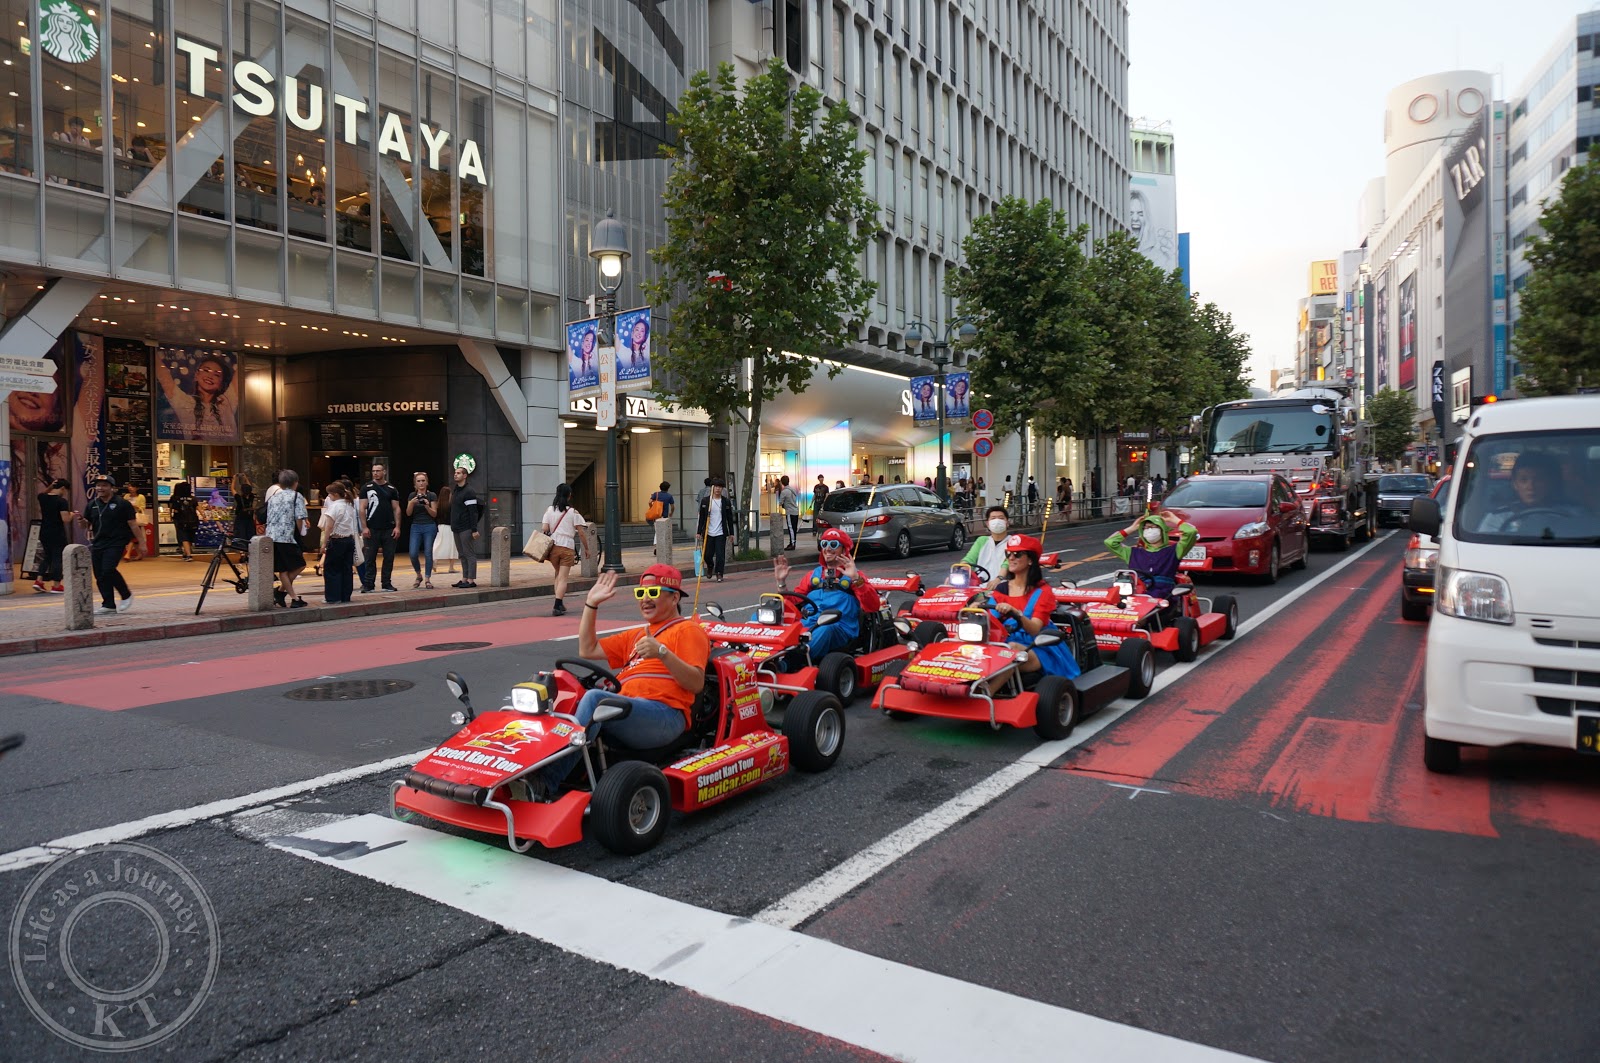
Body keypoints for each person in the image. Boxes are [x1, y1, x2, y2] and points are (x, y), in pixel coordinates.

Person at [537, 565, 711, 793]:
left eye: (654, 593)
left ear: (674, 597)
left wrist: (662, 653)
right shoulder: (638, 634)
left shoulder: (688, 630)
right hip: (630, 711)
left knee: (596, 699)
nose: (645, 599)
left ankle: (545, 783)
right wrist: (591, 604)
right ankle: (528, 766)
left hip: (666, 715)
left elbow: (696, 683)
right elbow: (587, 649)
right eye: (641, 593)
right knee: (550, 695)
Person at [772, 528, 881, 659]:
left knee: (825, 630)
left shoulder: (855, 576)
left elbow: (873, 606)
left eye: (833, 544)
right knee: (765, 617)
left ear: (844, 550)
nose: (827, 549)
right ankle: (755, 658)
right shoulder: (813, 575)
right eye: (824, 544)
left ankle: (789, 662)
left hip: (839, 628)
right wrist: (781, 582)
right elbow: (791, 602)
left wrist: (856, 578)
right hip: (808, 624)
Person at [986, 535, 1078, 679]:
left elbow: (1035, 628)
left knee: (1011, 651)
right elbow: (990, 619)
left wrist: (1016, 613)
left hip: (1038, 646)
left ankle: (987, 695)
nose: (1011, 558)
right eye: (1008, 554)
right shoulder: (1002, 589)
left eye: (1017, 554)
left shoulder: (1042, 591)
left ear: (1030, 560)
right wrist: (977, 611)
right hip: (1005, 640)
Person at [1104, 505, 1198, 602]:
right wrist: (1132, 528)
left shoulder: (1175, 551)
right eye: (1146, 528)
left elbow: (1191, 532)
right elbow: (1110, 542)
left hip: (1163, 595)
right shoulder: (1133, 552)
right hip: (1136, 592)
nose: (1149, 530)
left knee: (1154, 596)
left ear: (1162, 530)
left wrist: (1174, 519)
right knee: (1111, 596)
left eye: (1154, 527)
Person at [1479, 451, 1589, 534]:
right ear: (1515, 484)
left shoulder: (1574, 514)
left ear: (1551, 483)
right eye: (1523, 480)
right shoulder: (1498, 517)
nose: (1530, 486)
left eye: (1538, 479)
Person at [84, 477, 140, 614]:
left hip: (116, 542)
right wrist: (81, 520)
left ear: (112, 488)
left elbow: (133, 525)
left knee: (108, 569)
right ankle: (108, 604)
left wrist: (142, 543)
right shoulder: (92, 504)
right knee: (100, 575)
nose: (100, 488)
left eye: (104, 485)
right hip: (98, 543)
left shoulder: (122, 504)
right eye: (98, 485)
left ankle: (126, 594)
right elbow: (86, 524)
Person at [155, 354, 237, 442]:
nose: (210, 376)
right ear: (196, 375)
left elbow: (238, 377)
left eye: (217, 375)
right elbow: (163, 375)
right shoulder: (185, 402)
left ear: (221, 383)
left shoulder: (226, 402)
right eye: (206, 370)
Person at [266, 469, 310, 608]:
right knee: (300, 564)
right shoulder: (297, 497)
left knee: (283, 569)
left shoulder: (274, 496)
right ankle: (284, 594)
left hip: (272, 535)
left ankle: (286, 595)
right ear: (295, 483)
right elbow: (299, 519)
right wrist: (298, 532)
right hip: (286, 536)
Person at [540, 483, 586, 614]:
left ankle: (559, 603)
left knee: (558, 576)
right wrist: (587, 549)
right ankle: (557, 604)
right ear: (569, 496)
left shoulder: (549, 510)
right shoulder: (573, 512)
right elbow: (581, 532)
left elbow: (545, 528)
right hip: (567, 547)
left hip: (553, 547)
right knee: (563, 578)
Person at [359, 462, 401, 592]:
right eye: (373, 471)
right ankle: (368, 584)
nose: (376, 473)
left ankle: (386, 583)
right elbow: (362, 508)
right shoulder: (366, 488)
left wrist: (397, 527)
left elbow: (396, 509)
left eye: (378, 470)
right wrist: (364, 527)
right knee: (370, 557)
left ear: (384, 472)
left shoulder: (391, 489)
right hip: (372, 528)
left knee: (389, 557)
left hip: (389, 528)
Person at [317, 480, 360, 603]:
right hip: (349, 540)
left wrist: (324, 543)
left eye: (330, 494)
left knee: (332, 569)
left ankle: (333, 597)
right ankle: (345, 596)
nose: (329, 497)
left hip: (336, 540)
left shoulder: (334, 506)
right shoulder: (349, 505)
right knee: (346, 568)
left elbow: (329, 527)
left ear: (335, 494)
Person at [33, 478, 76, 593]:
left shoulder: (42, 498)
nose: (65, 493)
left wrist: (51, 486)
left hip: (44, 531)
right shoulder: (61, 501)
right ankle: (56, 585)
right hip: (57, 532)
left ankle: (39, 580)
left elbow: (44, 492)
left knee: (47, 556)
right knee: (58, 557)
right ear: (62, 488)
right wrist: (72, 514)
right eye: (65, 490)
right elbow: (65, 519)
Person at [961, 505, 1013, 588]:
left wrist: (999, 578)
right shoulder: (982, 541)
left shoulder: (1013, 541)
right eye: (993, 518)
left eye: (1001, 518)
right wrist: (958, 572)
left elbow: (1007, 563)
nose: (997, 521)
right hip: (978, 586)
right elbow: (969, 559)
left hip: (1004, 587)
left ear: (1007, 522)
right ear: (987, 524)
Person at [450, 465, 484, 588]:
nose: (455, 474)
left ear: (465, 476)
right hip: (457, 527)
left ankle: (471, 580)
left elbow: (473, 512)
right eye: (455, 472)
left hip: (466, 527)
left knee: (469, 553)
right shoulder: (456, 490)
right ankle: (464, 578)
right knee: (462, 554)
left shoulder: (469, 491)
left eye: (458, 473)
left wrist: (474, 529)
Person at [697, 477, 735, 583]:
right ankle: (710, 566)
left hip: (720, 532)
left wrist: (731, 533)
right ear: (712, 488)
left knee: (720, 555)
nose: (718, 489)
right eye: (716, 487)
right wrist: (699, 532)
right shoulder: (706, 501)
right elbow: (702, 518)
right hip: (708, 532)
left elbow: (729, 518)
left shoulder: (725, 501)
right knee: (707, 554)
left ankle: (719, 573)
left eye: (720, 487)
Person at [405, 471, 437, 589]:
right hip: (416, 526)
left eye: (423, 480)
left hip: (429, 525)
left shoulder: (432, 495)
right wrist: (412, 503)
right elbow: (408, 513)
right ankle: (419, 575)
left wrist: (427, 506)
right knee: (413, 553)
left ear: (427, 482)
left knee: (428, 552)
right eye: (418, 481)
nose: (421, 483)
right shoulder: (411, 496)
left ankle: (427, 578)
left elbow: (434, 514)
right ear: (415, 484)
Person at [168, 481, 200, 561]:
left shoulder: (176, 498)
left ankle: (188, 555)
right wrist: (204, 516)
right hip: (193, 520)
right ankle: (186, 553)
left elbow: (174, 509)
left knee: (183, 537)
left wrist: (170, 516)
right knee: (189, 536)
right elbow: (198, 507)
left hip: (181, 520)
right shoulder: (193, 498)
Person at [432, 482, 458, 575]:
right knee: (452, 546)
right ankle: (451, 567)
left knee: (438, 544)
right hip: (450, 527)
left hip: (440, 527)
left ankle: (435, 559)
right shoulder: (451, 505)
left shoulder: (438, 505)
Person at [123, 482, 149, 561]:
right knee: (134, 537)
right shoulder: (126, 496)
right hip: (127, 518)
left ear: (137, 488)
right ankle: (139, 554)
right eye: (129, 486)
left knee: (132, 536)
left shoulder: (141, 497)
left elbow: (142, 508)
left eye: (132, 486)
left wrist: (134, 506)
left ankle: (128, 554)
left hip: (136, 519)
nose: (130, 488)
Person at [232, 472, 257, 542]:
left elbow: (233, 489)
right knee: (250, 533)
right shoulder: (251, 496)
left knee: (241, 534)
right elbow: (249, 487)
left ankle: (241, 549)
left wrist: (234, 479)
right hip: (249, 519)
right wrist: (245, 478)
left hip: (240, 519)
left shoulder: (239, 498)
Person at [778, 475, 800, 550]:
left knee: (791, 528)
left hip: (790, 512)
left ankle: (792, 544)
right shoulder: (793, 490)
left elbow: (780, 502)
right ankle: (792, 542)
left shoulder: (784, 492)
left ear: (782, 482)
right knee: (794, 528)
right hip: (796, 511)